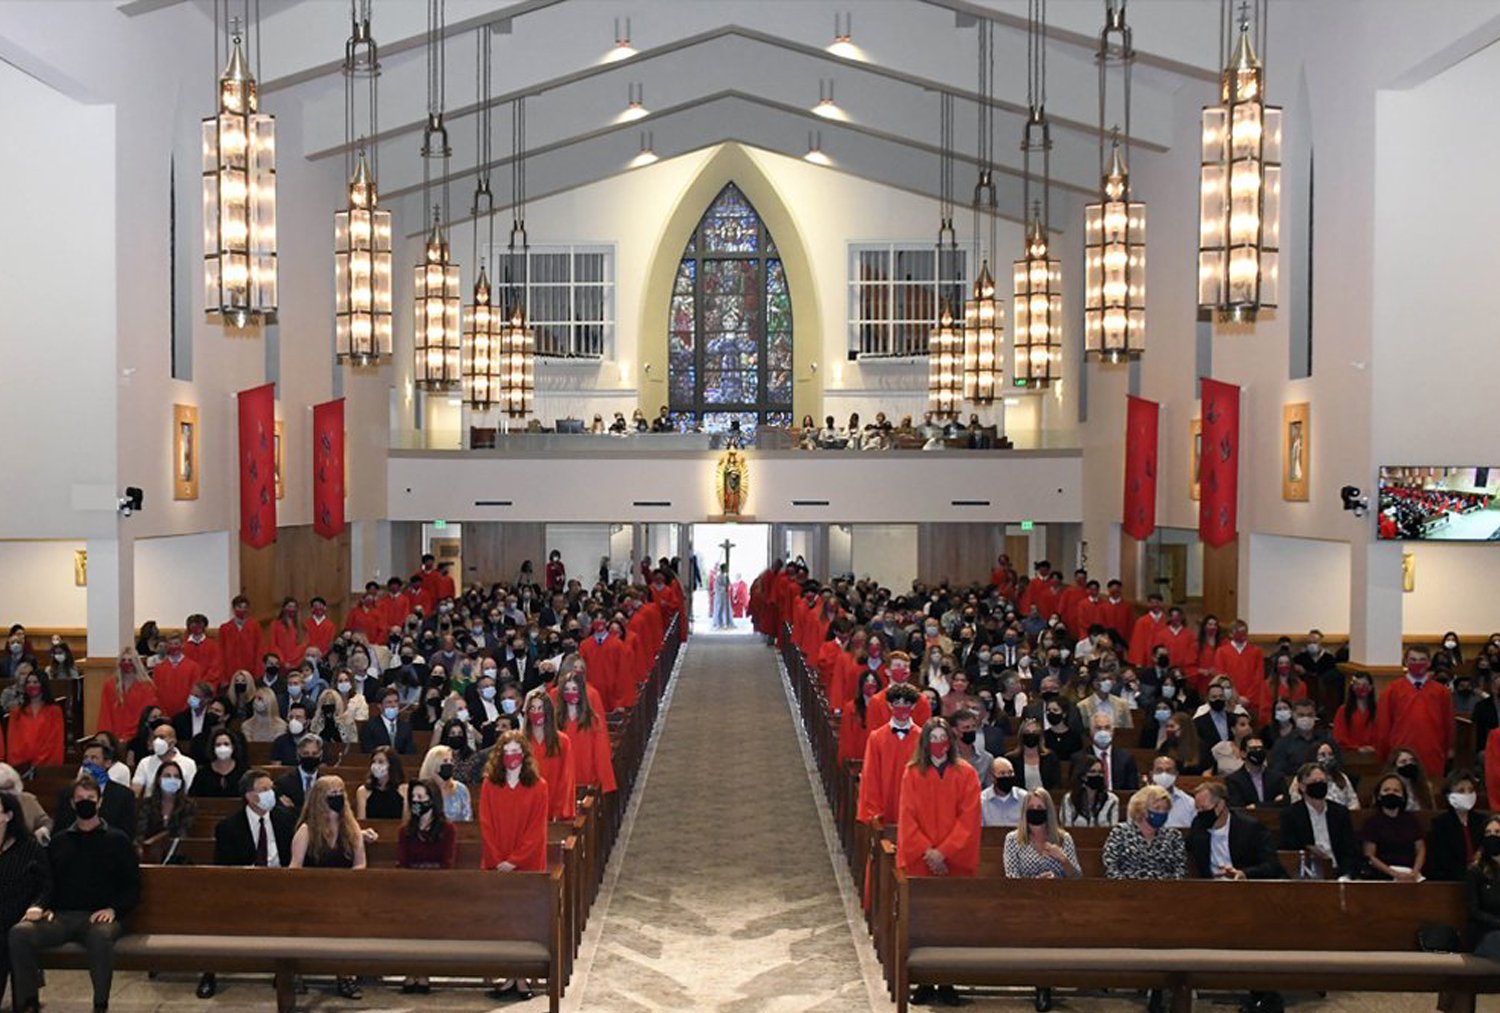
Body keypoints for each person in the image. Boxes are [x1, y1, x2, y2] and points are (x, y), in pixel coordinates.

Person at [10, 776, 140, 1013]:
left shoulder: (117, 839)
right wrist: (44, 906)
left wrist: (114, 909)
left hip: (100, 917)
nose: (85, 803)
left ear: (99, 803)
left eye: (90, 798)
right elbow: (48, 882)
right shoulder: (59, 841)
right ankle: (28, 1002)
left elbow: (132, 885)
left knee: (101, 937)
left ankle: (100, 1005)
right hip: (62, 917)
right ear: (72, 804)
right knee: (20, 933)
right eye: (80, 799)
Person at [898, 717, 979, 1010]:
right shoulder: (912, 774)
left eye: (943, 737)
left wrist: (944, 853)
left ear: (951, 741)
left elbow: (969, 819)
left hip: (953, 862)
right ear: (925, 742)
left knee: (951, 922)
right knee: (922, 921)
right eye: (933, 737)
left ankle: (948, 981)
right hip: (922, 861)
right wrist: (928, 852)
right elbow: (907, 818)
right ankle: (923, 981)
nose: (938, 743)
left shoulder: (966, 773)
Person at [288, 775, 365, 999]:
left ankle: (344, 975)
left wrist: (348, 883)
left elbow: (360, 863)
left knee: (345, 920)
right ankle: (295, 973)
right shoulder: (306, 830)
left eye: (340, 792)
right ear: (320, 798)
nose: (337, 797)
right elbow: (295, 866)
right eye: (332, 794)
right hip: (311, 895)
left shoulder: (351, 828)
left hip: (343, 893)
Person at [1004, 786, 1079, 1012]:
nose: (1036, 811)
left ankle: (1044, 984)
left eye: (1040, 808)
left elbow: (1078, 879)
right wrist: (1037, 882)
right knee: (1039, 925)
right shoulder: (1013, 839)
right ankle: (1042, 985)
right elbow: (1011, 878)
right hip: (1025, 903)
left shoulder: (1063, 839)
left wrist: (1063, 861)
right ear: (1025, 811)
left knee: (1051, 924)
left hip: (1060, 904)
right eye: (1031, 808)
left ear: (1049, 811)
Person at [395, 778, 456, 994]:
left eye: (421, 798)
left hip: (437, 888)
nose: (417, 802)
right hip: (410, 888)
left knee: (428, 915)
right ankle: (412, 972)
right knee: (409, 915)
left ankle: (424, 973)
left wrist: (431, 883)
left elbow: (447, 862)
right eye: (413, 798)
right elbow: (402, 863)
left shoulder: (446, 829)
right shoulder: (406, 831)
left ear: (432, 800)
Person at [0, 792, 50, 1007]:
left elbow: (46, 885)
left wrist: (38, 906)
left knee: (9, 937)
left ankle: (25, 1000)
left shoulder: (29, 848)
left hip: (18, 913)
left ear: (8, 816)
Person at [1375, 645, 1453, 779]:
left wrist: (1448, 749)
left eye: (1422, 659)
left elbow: (1448, 724)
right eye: (1413, 660)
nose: (1418, 663)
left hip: (1432, 753)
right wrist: (1385, 754)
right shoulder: (1392, 690)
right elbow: (1383, 726)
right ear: (1405, 662)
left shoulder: (1441, 692)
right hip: (1401, 753)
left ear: (1429, 662)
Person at [857, 682, 922, 830]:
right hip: (884, 803)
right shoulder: (876, 737)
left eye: (906, 703)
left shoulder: (922, 737)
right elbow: (870, 775)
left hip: (912, 803)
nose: (901, 706)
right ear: (889, 705)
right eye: (897, 703)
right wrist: (873, 811)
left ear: (913, 706)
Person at [1187, 779, 1282, 880]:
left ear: (1221, 805)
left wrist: (1244, 873)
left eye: (1204, 808)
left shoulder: (1250, 828)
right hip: (1212, 888)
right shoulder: (1198, 825)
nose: (1200, 813)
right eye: (1198, 809)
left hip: (1245, 887)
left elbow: (1271, 865)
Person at [1279, 762, 1360, 878]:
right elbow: (1290, 850)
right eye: (1314, 782)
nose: (1319, 785)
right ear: (1302, 787)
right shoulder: (1291, 815)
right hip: (1308, 874)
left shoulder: (1340, 812)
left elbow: (1350, 849)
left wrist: (1347, 875)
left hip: (1338, 872)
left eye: (1322, 781)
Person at [1102, 783, 1186, 879]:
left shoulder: (1173, 836)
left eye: (1165, 809)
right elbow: (1110, 865)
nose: (1162, 813)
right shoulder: (1121, 832)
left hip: (1165, 890)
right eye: (1157, 808)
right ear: (1142, 809)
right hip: (1126, 889)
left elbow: (1180, 869)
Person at [58, 742, 135, 834]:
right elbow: (60, 828)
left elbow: (127, 833)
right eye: (85, 758)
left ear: (107, 763)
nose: (87, 762)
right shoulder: (67, 793)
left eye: (93, 758)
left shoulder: (124, 795)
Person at [1360, 774, 1426, 881]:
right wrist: (1394, 874)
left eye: (1396, 791)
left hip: (1410, 873)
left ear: (1403, 796)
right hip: (1383, 874)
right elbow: (1370, 856)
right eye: (1386, 790)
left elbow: (1420, 849)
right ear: (1379, 796)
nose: (1391, 793)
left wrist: (1415, 872)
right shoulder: (1372, 822)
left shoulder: (1411, 820)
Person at [524, 689, 576, 820]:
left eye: (540, 708)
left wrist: (560, 810)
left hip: (553, 802)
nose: (536, 712)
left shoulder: (562, 741)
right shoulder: (522, 742)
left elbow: (567, 776)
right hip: (528, 804)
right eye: (533, 708)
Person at [1427, 770, 1484, 883]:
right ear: (1449, 795)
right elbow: (1442, 860)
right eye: (1461, 791)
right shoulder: (1441, 824)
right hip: (1451, 880)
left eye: (1471, 790)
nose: (1467, 794)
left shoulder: (1482, 821)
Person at [5, 670, 63, 772]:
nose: (31, 685)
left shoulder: (54, 711)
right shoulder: (16, 711)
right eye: (28, 682)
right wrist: (20, 764)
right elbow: (12, 740)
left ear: (43, 685)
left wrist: (39, 762)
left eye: (35, 682)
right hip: (21, 765)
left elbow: (54, 740)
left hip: (46, 765)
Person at [136, 759, 195, 857]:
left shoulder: (188, 806)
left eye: (176, 776)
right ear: (159, 780)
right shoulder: (146, 805)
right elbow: (140, 834)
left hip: (178, 856)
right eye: (167, 776)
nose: (172, 779)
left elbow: (184, 834)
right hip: (149, 855)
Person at [96, 650, 158, 741]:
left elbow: (144, 713)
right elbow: (105, 712)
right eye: (123, 660)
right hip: (114, 735)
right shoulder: (110, 685)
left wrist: (130, 735)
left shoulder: (147, 686)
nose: (126, 663)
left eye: (130, 660)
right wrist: (106, 734)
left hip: (138, 735)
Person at [1267, 699, 1333, 781]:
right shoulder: (1282, 744)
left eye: (1310, 715)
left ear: (1315, 716)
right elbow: (1278, 773)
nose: (1306, 718)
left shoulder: (1327, 740)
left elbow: (1337, 765)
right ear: (1293, 716)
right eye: (1301, 715)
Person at [1071, 711, 1139, 791]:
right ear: (1091, 731)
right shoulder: (1079, 758)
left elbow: (1132, 789)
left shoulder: (1126, 758)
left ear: (1113, 731)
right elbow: (1075, 787)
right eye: (1098, 728)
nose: (1103, 732)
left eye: (1107, 728)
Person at [1464, 814, 1500, 960]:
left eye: (1497, 832)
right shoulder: (1475, 870)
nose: (1493, 836)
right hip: (1485, 932)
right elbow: (1474, 911)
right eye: (1488, 833)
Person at [131, 723, 197, 799]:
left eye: (162, 737)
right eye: (155, 737)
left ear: (173, 742)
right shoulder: (145, 762)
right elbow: (135, 790)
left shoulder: (189, 763)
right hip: (151, 806)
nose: (157, 741)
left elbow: (191, 793)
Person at [1225, 736, 1287, 809]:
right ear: (1243, 753)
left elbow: (1284, 803)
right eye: (1253, 749)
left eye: (1261, 748)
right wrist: (1272, 804)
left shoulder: (1277, 777)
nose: (1258, 751)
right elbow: (1238, 808)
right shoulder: (1233, 780)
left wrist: (1256, 806)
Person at [1060, 756, 1119, 826]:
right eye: (1092, 771)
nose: (1097, 775)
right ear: (1083, 776)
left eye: (1100, 772)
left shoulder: (1112, 800)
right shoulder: (1069, 799)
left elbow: (1114, 829)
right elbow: (1066, 828)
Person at [1005, 717, 1060, 790]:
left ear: (1040, 736)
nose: (1031, 735)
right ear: (1021, 735)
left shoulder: (1050, 757)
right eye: (1027, 732)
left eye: (1034, 732)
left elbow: (1056, 784)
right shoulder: (1011, 759)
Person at [274, 735, 325, 813]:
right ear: (298, 754)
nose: (310, 757)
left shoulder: (326, 783)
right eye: (306, 753)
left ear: (321, 754)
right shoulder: (283, 783)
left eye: (314, 754)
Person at [420, 745, 472, 822]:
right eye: (445, 761)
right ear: (433, 765)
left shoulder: (461, 789)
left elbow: (468, 818)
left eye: (451, 761)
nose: (450, 764)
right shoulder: (421, 790)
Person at [356, 746, 408, 821]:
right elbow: (362, 822)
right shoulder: (363, 791)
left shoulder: (404, 790)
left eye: (381, 762)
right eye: (374, 762)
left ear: (392, 765)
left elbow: (405, 822)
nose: (376, 765)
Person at [190, 729, 245, 799]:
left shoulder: (244, 772)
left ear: (233, 747)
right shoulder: (203, 773)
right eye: (218, 745)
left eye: (226, 744)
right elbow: (193, 798)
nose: (222, 747)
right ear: (213, 748)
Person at [1148, 756, 1198, 829]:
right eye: (1159, 770)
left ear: (1176, 774)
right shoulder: (1139, 800)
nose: (1164, 774)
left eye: (1168, 771)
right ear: (1151, 774)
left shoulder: (1189, 803)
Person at [361, 686, 415, 753]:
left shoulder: (406, 727)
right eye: (389, 702)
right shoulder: (369, 726)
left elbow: (410, 753)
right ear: (380, 706)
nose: (393, 705)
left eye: (396, 701)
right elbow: (367, 750)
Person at [979, 757, 1026, 827]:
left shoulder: (1024, 798)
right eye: (1002, 773)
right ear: (992, 777)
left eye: (1010, 772)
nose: (1007, 776)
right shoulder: (981, 801)